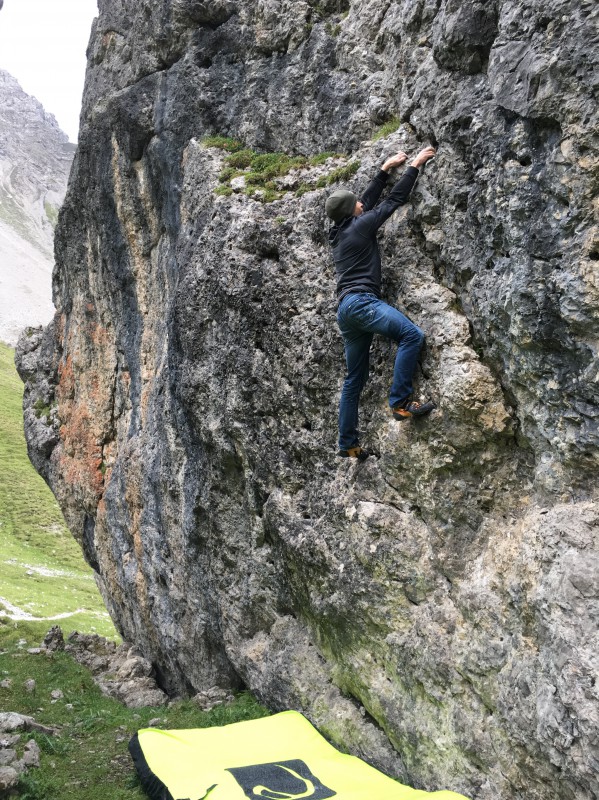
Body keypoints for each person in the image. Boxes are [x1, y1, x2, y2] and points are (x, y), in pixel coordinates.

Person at [326, 145, 437, 461]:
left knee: (354, 380)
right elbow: (392, 202)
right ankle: (401, 402)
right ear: (352, 213)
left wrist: (384, 170)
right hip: (362, 303)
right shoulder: (359, 226)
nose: (361, 202)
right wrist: (414, 165)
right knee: (411, 335)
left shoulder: (340, 231)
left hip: (346, 311)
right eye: (356, 204)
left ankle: (348, 444)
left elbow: (365, 203)